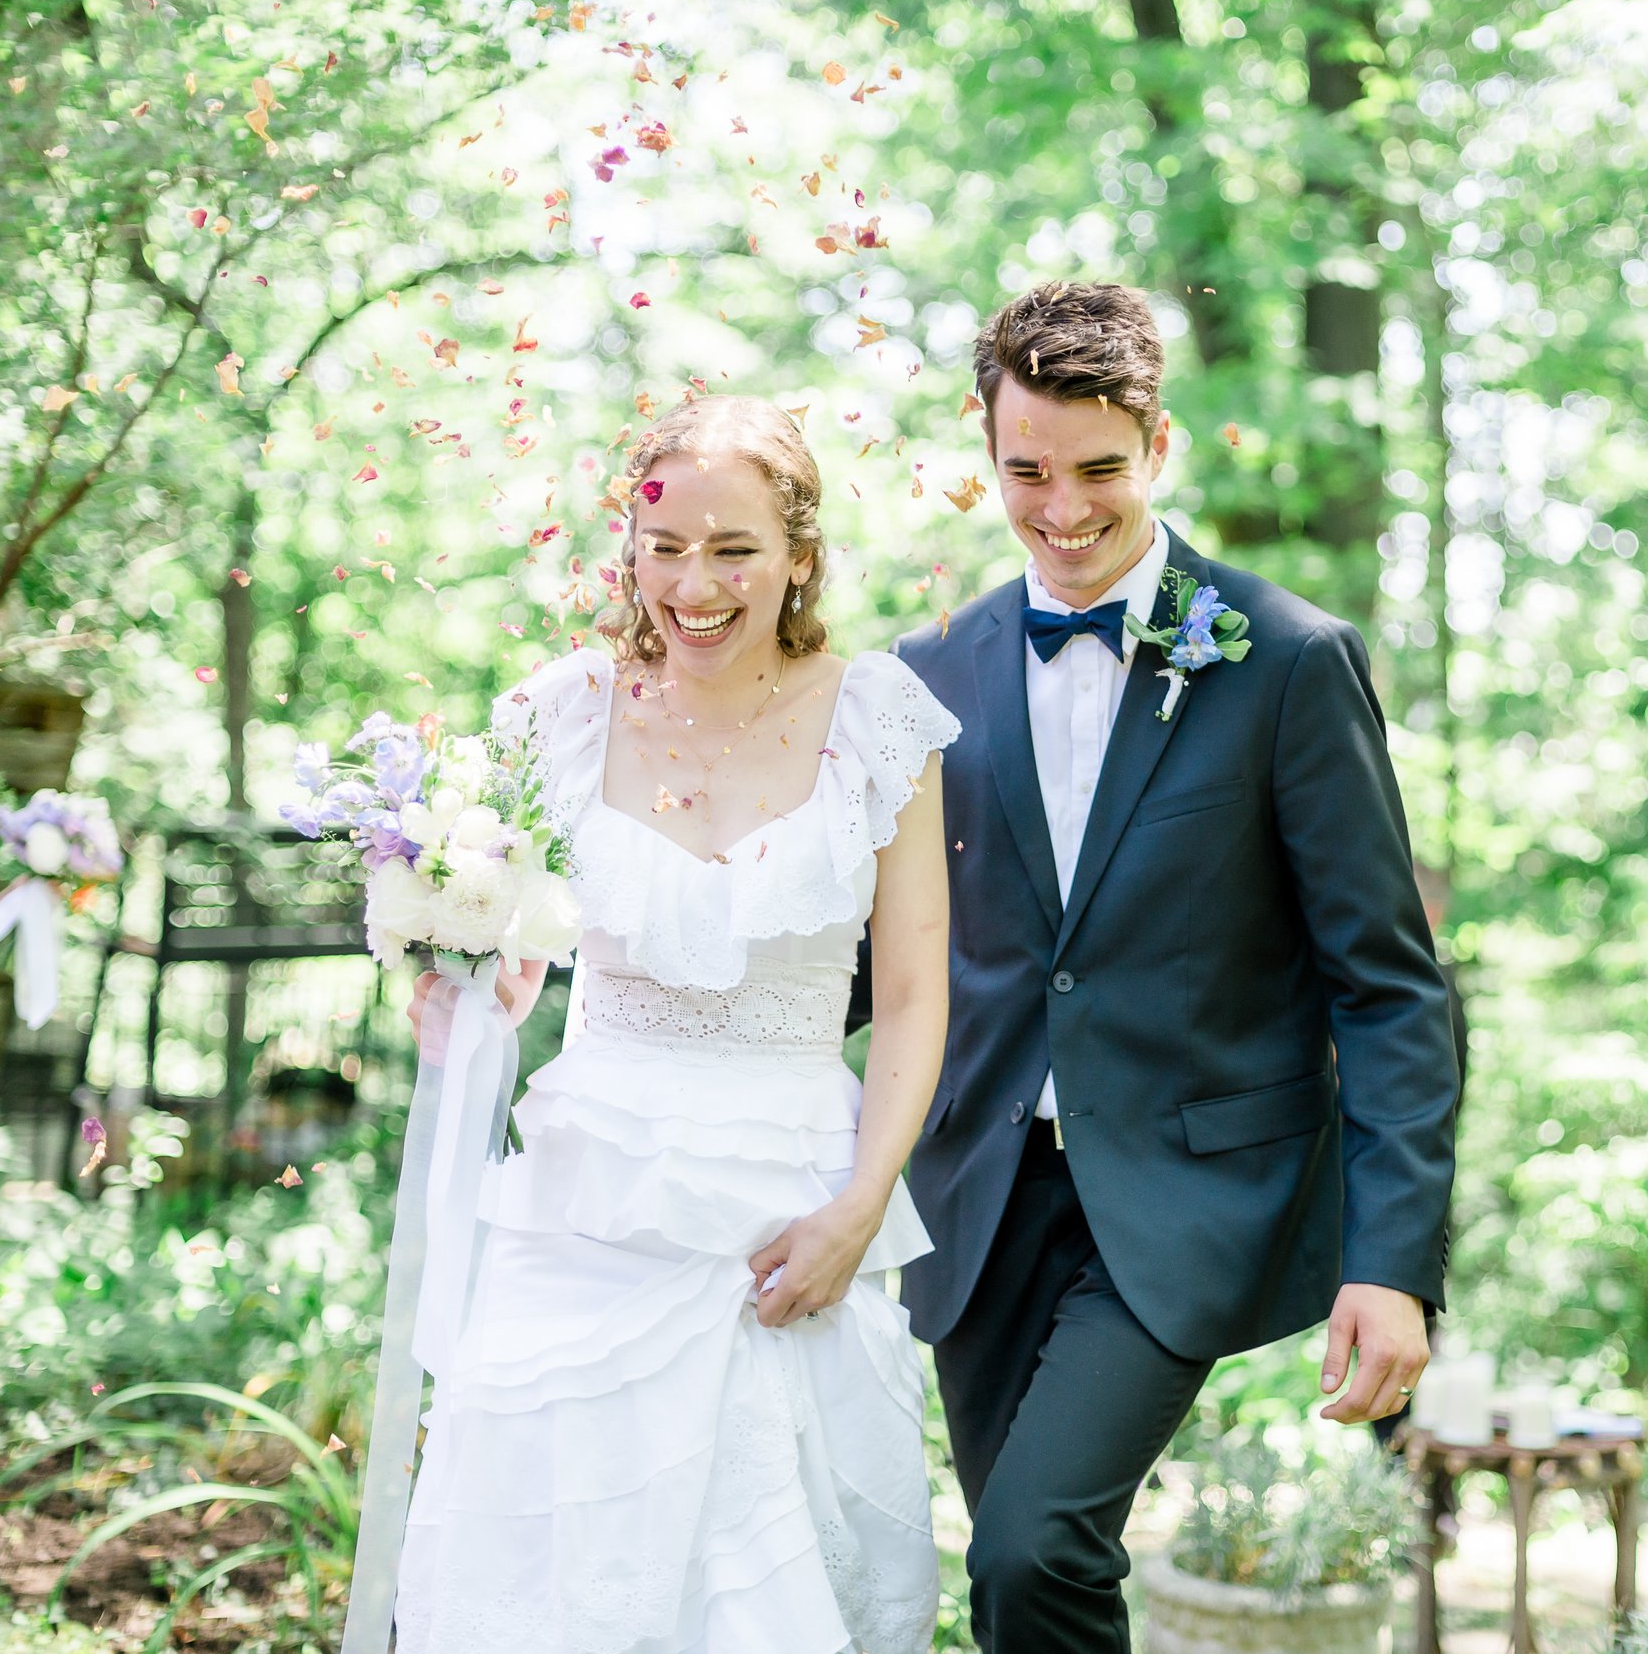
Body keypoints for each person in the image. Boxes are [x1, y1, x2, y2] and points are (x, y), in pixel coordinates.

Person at [880, 283, 1463, 1651]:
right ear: (987, 444)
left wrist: (1394, 1264)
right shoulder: (927, 671)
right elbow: (871, 962)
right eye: (1027, 470)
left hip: (1191, 1192)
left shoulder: (1289, 660)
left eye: (1099, 469)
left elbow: (1387, 984)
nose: (1063, 508)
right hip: (976, 1196)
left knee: (1034, 1546)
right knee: (1019, 1574)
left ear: (1162, 445)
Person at [391, 396, 955, 1653]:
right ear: (627, 551)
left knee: (769, 1565)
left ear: (799, 556)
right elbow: (520, 943)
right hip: (590, 1195)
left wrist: (859, 1211)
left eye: (735, 549)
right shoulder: (559, 715)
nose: (694, 583)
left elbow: (916, 994)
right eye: (667, 547)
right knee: (556, 1556)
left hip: (791, 1196)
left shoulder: (878, 719)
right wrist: (460, 988)